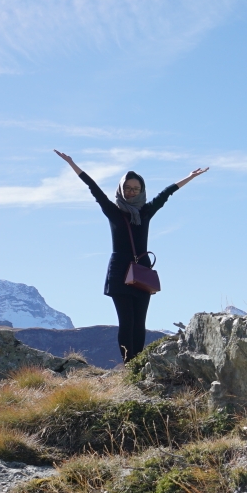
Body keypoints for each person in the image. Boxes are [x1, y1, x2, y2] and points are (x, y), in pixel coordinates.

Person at [54, 150, 209, 363]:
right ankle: (129, 365)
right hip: (119, 272)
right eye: (127, 188)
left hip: (141, 271)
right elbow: (94, 188)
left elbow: (166, 193)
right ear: (121, 189)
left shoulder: (145, 212)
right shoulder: (113, 211)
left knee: (139, 324)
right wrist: (72, 164)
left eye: (136, 189)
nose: (132, 192)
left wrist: (190, 177)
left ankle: (138, 365)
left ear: (142, 190)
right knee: (126, 323)